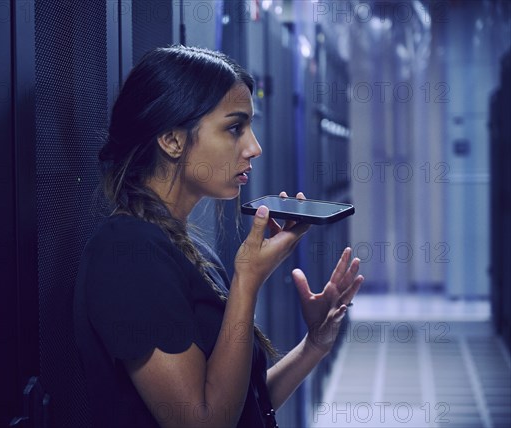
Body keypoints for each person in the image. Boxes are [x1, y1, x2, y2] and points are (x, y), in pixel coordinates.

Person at [73, 45, 364, 428]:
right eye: (234, 127)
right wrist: (247, 280)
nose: (254, 147)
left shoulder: (184, 248)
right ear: (173, 140)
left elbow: (244, 407)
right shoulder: (127, 256)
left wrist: (314, 345)